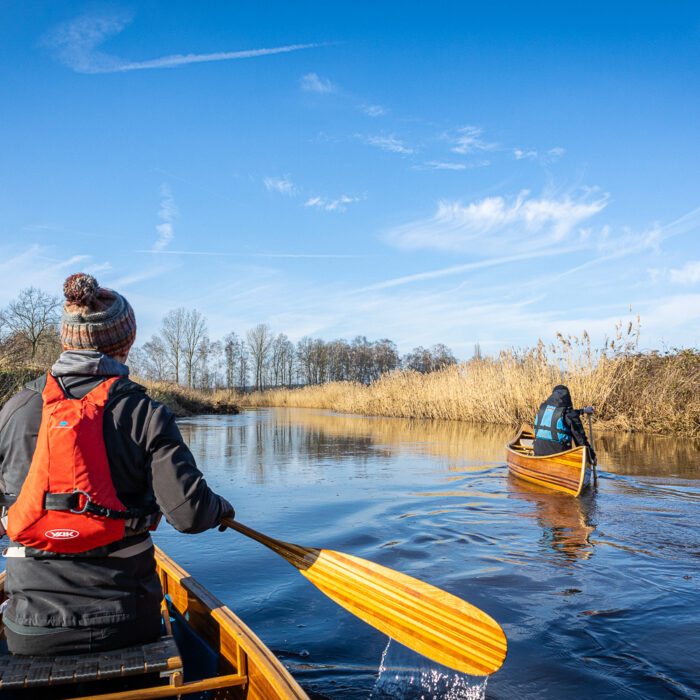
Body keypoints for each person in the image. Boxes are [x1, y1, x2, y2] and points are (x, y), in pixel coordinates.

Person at [0, 273, 234, 655]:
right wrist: (221, 508)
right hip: (126, 619)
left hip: (30, 625)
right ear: (126, 344)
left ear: (65, 340)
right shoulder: (145, 413)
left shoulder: (15, 410)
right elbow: (190, 515)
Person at [533, 384, 596, 462]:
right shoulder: (570, 414)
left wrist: (583, 411)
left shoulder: (542, 408)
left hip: (538, 452)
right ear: (568, 398)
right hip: (559, 456)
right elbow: (581, 441)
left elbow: (565, 413)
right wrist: (592, 457)